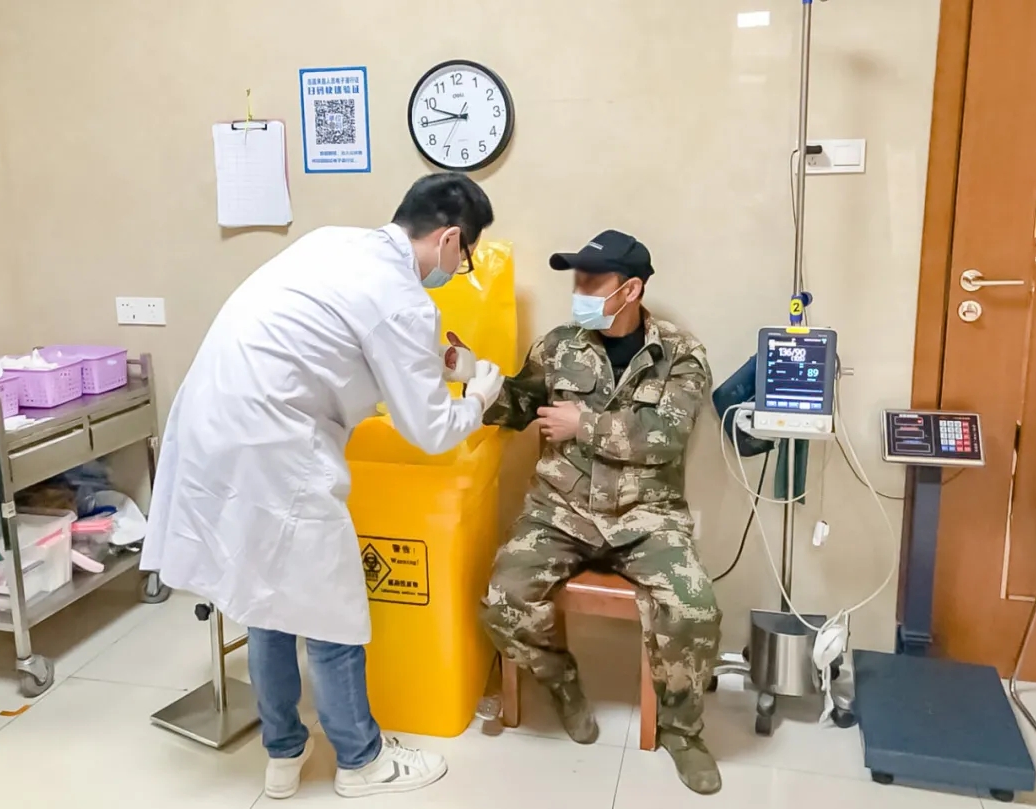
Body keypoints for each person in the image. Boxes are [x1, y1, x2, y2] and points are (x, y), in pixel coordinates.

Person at [140, 173, 505, 800]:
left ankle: (283, 755)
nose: (460, 266)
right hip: (276, 447)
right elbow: (430, 431)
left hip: (215, 423)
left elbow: (338, 344)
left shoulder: (331, 243)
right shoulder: (403, 300)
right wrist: (477, 398)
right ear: (450, 239)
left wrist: (437, 365)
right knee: (330, 610)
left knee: (267, 603)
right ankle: (362, 760)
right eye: (465, 253)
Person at [472, 230, 723, 795]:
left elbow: (666, 436)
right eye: (576, 279)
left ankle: (683, 732)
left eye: (592, 281)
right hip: (560, 510)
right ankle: (562, 682)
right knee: (502, 599)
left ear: (630, 289)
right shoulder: (559, 345)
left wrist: (582, 424)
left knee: (694, 608)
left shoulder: (679, 353)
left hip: (647, 516)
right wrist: (476, 381)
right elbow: (520, 406)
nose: (579, 290)